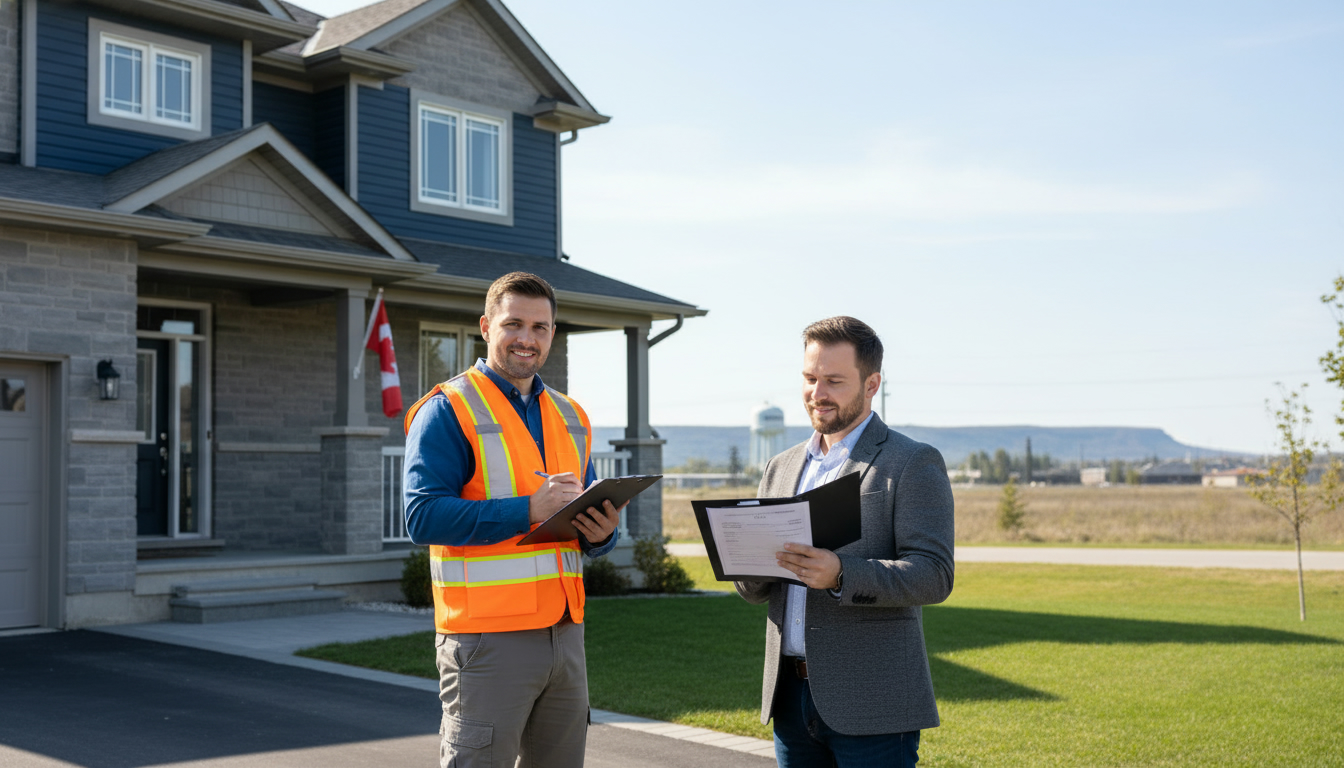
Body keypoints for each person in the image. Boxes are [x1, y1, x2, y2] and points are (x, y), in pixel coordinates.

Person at [403, 271, 623, 768]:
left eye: (541, 327)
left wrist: (602, 535)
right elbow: (421, 516)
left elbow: (579, 520)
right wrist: (527, 510)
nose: (528, 338)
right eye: (514, 324)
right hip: (486, 639)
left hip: (565, 635)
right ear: (486, 326)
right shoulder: (446, 409)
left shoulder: (571, 415)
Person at [735, 316, 955, 767]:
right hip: (790, 699)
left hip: (873, 704)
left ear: (872, 383)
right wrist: (742, 562)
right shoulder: (781, 467)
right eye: (810, 378)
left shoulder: (911, 461)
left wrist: (840, 573)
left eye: (834, 381)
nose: (818, 393)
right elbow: (755, 588)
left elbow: (934, 575)